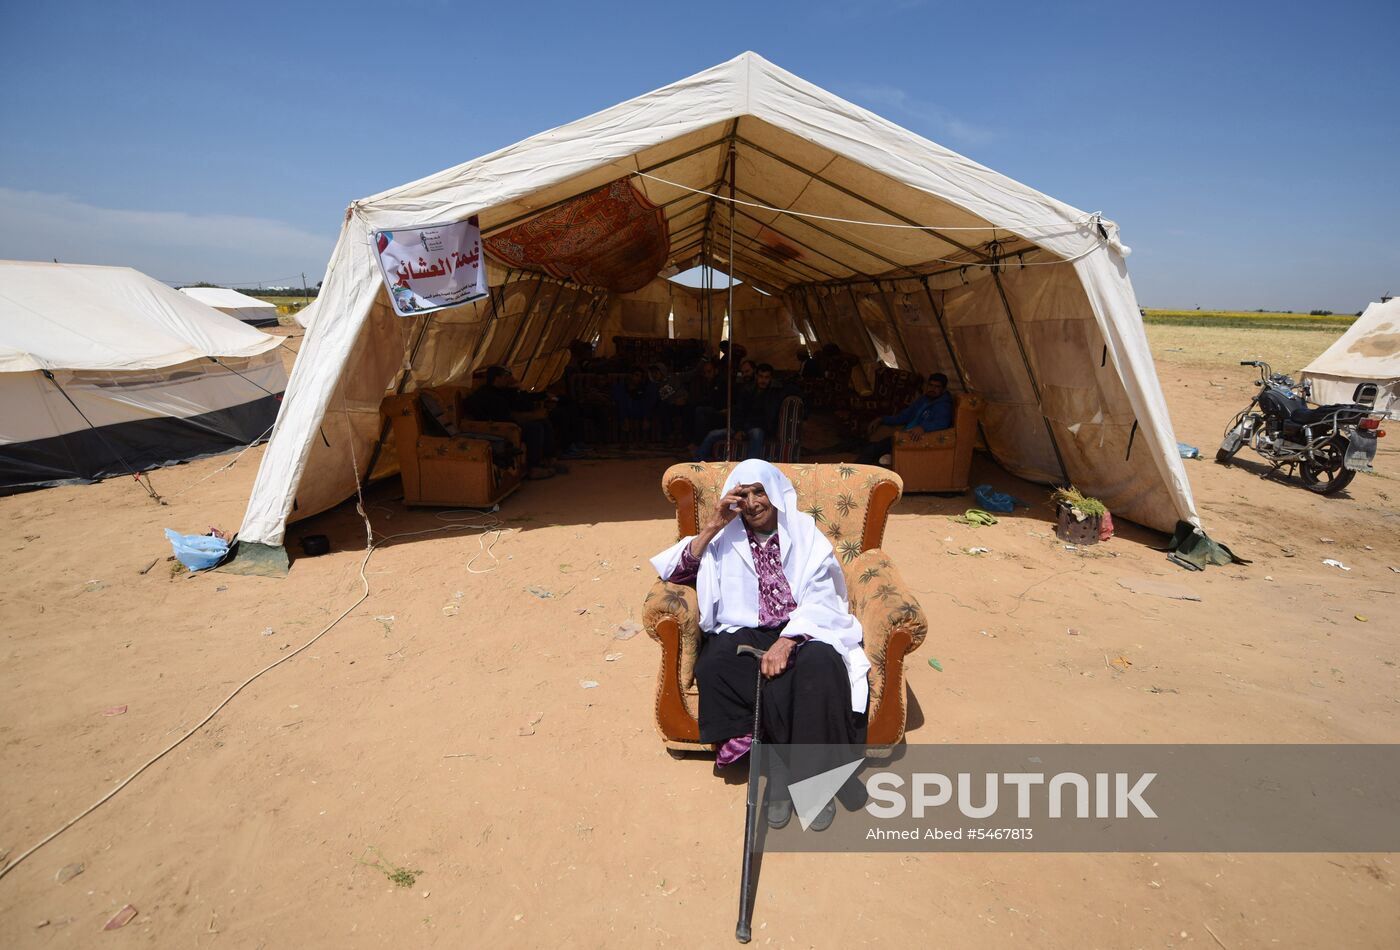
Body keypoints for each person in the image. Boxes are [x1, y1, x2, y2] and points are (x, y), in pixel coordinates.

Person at [650, 459, 869, 831]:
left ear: (775, 495)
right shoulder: (724, 535)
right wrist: (715, 523)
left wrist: (787, 641)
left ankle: (805, 780)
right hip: (746, 629)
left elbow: (822, 597)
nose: (751, 503)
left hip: (803, 628)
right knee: (716, 663)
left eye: (759, 492)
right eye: (743, 495)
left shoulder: (805, 534)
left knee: (820, 667)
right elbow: (678, 571)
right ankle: (782, 767)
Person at [463, 365, 565, 479]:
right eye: (507, 376)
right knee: (534, 428)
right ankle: (533, 467)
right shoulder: (484, 393)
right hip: (501, 427)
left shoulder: (505, 391)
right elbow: (470, 404)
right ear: (497, 378)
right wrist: (486, 420)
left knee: (543, 422)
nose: (510, 379)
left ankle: (549, 459)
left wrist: (519, 390)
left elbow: (526, 406)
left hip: (511, 423)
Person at [857, 372, 954, 465]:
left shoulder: (943, 405)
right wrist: (882, 419)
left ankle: (852, 474)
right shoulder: (923, 399)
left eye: (937, 387)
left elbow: (942, 422)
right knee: (864, 445)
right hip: (903, 434)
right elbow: (903, 416)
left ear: (943, 389)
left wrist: (923, 427)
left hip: (912, 438)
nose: (933, 389)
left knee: (871, 450)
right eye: (931, 385)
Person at [694, 363, 783, 461]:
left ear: (770, 378)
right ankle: (697, 461)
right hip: (742, 427)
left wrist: (744, 430)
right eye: (761, 377)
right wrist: (738, 430)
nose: (763, 380)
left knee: (757, 434)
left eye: (766, 377)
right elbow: (739, 412)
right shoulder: (747, 390)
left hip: (758, 428)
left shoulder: (774, 393)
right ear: (756, 376)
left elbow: (768, 418)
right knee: (713, 434)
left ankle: (750, 467)